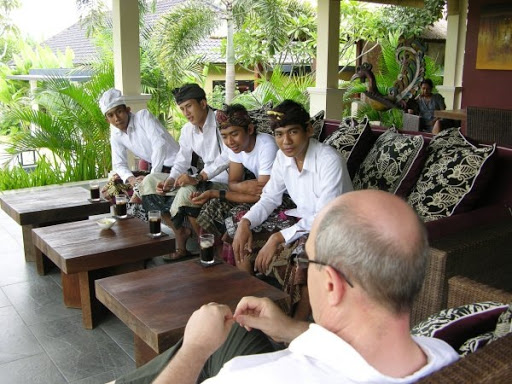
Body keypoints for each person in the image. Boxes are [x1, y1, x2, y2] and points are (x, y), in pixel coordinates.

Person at [111, 190, 459, 384]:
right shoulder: (442, 353)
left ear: (332, 284)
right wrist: (292, 328)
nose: (304, 270)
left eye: (307, 262)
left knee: (197, 346)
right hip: (304, 351)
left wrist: (196, 348)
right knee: (232, 335)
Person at [232, 99, 352, 318]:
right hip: (302, 221)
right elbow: (270, 197)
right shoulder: (282, 158)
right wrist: (246, 222)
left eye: (293, 132)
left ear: (308, 130)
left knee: (305, 254)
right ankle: (253, 298)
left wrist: (278, 237)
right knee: (237, 227)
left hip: (335, 226)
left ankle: (295, 325)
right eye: (279, 134)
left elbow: (325, 215)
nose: (285, 141)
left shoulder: (329, 160)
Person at [139, 83, 229, 260]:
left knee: (188, 192)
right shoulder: (188, 129)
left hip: (223, 179)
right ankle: (180, 232)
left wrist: (198, 177)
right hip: (201, 178)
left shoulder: (221, 122)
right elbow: (182, 160)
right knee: (149, 181)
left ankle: (211, 250)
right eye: (182, 108)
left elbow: (228, 157)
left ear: (203, 103)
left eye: (189, 106)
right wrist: (170, 180)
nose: (186, 113)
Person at [190, 104, 279, 268]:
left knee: (236, 218)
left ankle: (245, 282)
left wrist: (218, 192)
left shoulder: (266, 146)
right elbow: (233, 183)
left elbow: (261, 195)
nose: (230, 141)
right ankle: (217, 264)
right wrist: (241, 186)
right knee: (211, 208)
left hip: (279, 198)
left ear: (250, 129)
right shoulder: (235, 148)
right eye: (224, 136)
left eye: (235, 134)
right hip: (256, 192)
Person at [99, 88, 180, 187]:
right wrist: (132, 179)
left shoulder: (143, 117)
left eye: (119, 112)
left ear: (128, 110)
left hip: (176, 167)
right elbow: (119, 164)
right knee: (113, 185)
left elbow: (159, 145)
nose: (116, 119)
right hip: (156, 170)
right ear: (107, 120)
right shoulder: (116, 134)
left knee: (139, 192)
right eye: (111, 115)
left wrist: (151, 177)